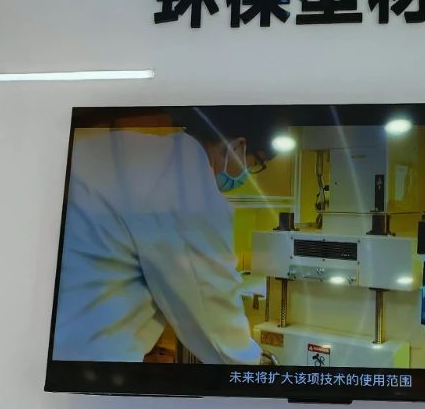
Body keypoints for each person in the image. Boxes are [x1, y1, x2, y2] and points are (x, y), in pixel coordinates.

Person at [52, 109, 273, 365]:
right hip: (85, 362)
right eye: (254, 163)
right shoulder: (190, 187)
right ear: (238, 147)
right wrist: (261, 367)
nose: (247, 173)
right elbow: (217, 327)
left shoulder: (127, 149)